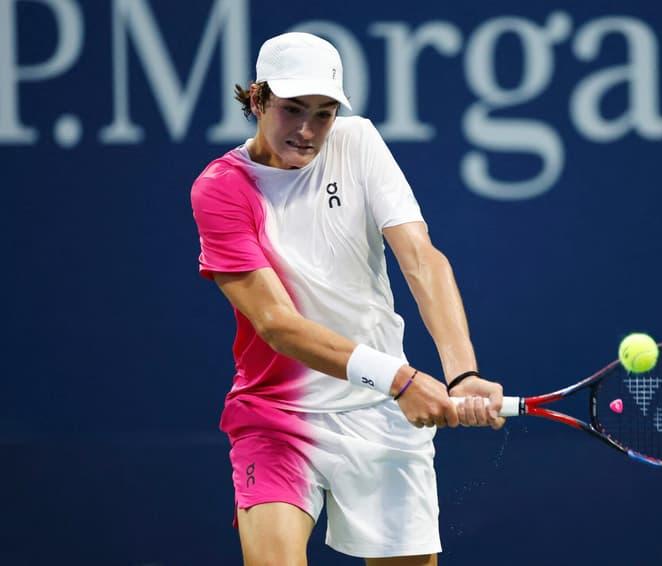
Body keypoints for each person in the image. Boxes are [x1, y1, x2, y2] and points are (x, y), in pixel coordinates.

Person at [190, 32, 504, 566]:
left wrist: (462, 374)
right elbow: (276, 324)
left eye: (324, 113)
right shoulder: (222, 187)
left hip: (383, 419)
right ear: (259, 100)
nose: (308, 130)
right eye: (293, 110)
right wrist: (399, 377)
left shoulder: (358, 143)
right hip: (277, 414)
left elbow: (421, 259)